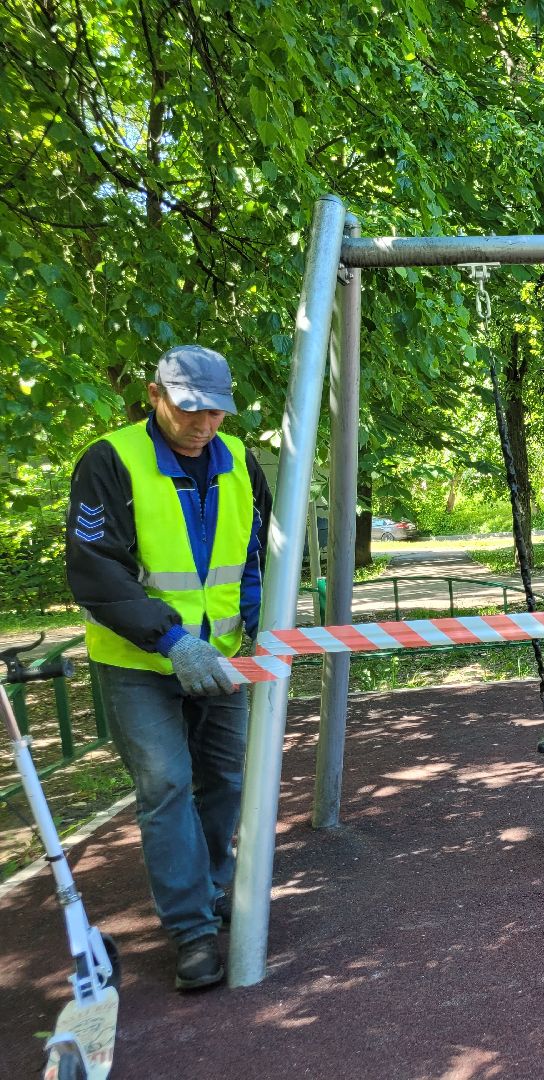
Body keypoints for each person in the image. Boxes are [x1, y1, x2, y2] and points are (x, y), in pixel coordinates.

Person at [66, 345, 271, 991]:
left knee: (227, 777)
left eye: (215, 410)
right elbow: (95, 570)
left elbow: (257, 551)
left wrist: (261, 627)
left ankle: (213, 892)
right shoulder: (111, 460)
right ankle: (190, 931)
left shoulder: (241, 460)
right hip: (140, 661)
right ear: (155, 396)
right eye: (188, 408)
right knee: (165, 787)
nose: (203, 422)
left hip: (225, 659)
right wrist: (173, 639)